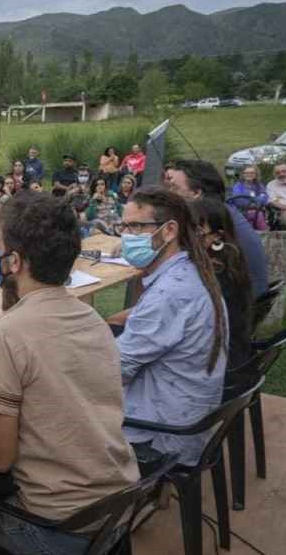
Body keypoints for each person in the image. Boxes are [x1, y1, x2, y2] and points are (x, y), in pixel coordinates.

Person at [0, 191, 138, 553]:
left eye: (0, 248)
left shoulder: (4, 336)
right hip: (119, 505)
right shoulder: (92, 319)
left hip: (57, 526)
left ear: (15, 262)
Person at [110, 187, 227, 468]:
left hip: (165, 434)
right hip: (186, 414)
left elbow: (112, 373)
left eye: (136, 226)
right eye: (123, 226)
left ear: (169, 230)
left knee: (50, 407)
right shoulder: (188, 271)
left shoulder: (171, 292)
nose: (127, 235)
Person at [165, 159, 268, 297]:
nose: (168, 193)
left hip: (237, 306)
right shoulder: (223, 211)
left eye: (174, 188)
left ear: (196, 193)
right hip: (241, 298)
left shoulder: (209, 219)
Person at [190, 197, 253, 372]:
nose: (186, 237)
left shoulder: (214, 273)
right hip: (228, 357)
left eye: (196, 230)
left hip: (214, 365)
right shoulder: (229, 260)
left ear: (217, 236)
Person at [230, 165, 270, 230]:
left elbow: (265, 199)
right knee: (256, 215)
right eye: (246, 173)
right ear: (243, 174)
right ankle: (264, 233)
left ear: (256, 175)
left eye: (252, 173)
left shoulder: (259, 186)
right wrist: (256, 200)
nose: (249, 174)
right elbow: (239, 201)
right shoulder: (238, 186)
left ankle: (262, 234)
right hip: (241, 212)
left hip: (258, 211)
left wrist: (251, 200)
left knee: (257, 214)